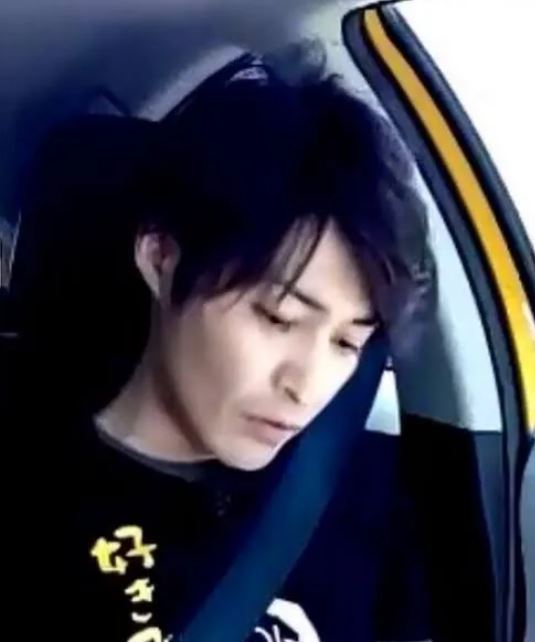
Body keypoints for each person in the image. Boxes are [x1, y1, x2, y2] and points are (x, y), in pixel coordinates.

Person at [10, 52, 435, 642]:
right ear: (161, 258)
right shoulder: (31, 514)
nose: (306, 386)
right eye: (278, 317)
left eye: (348, 341)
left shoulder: (364, 498)